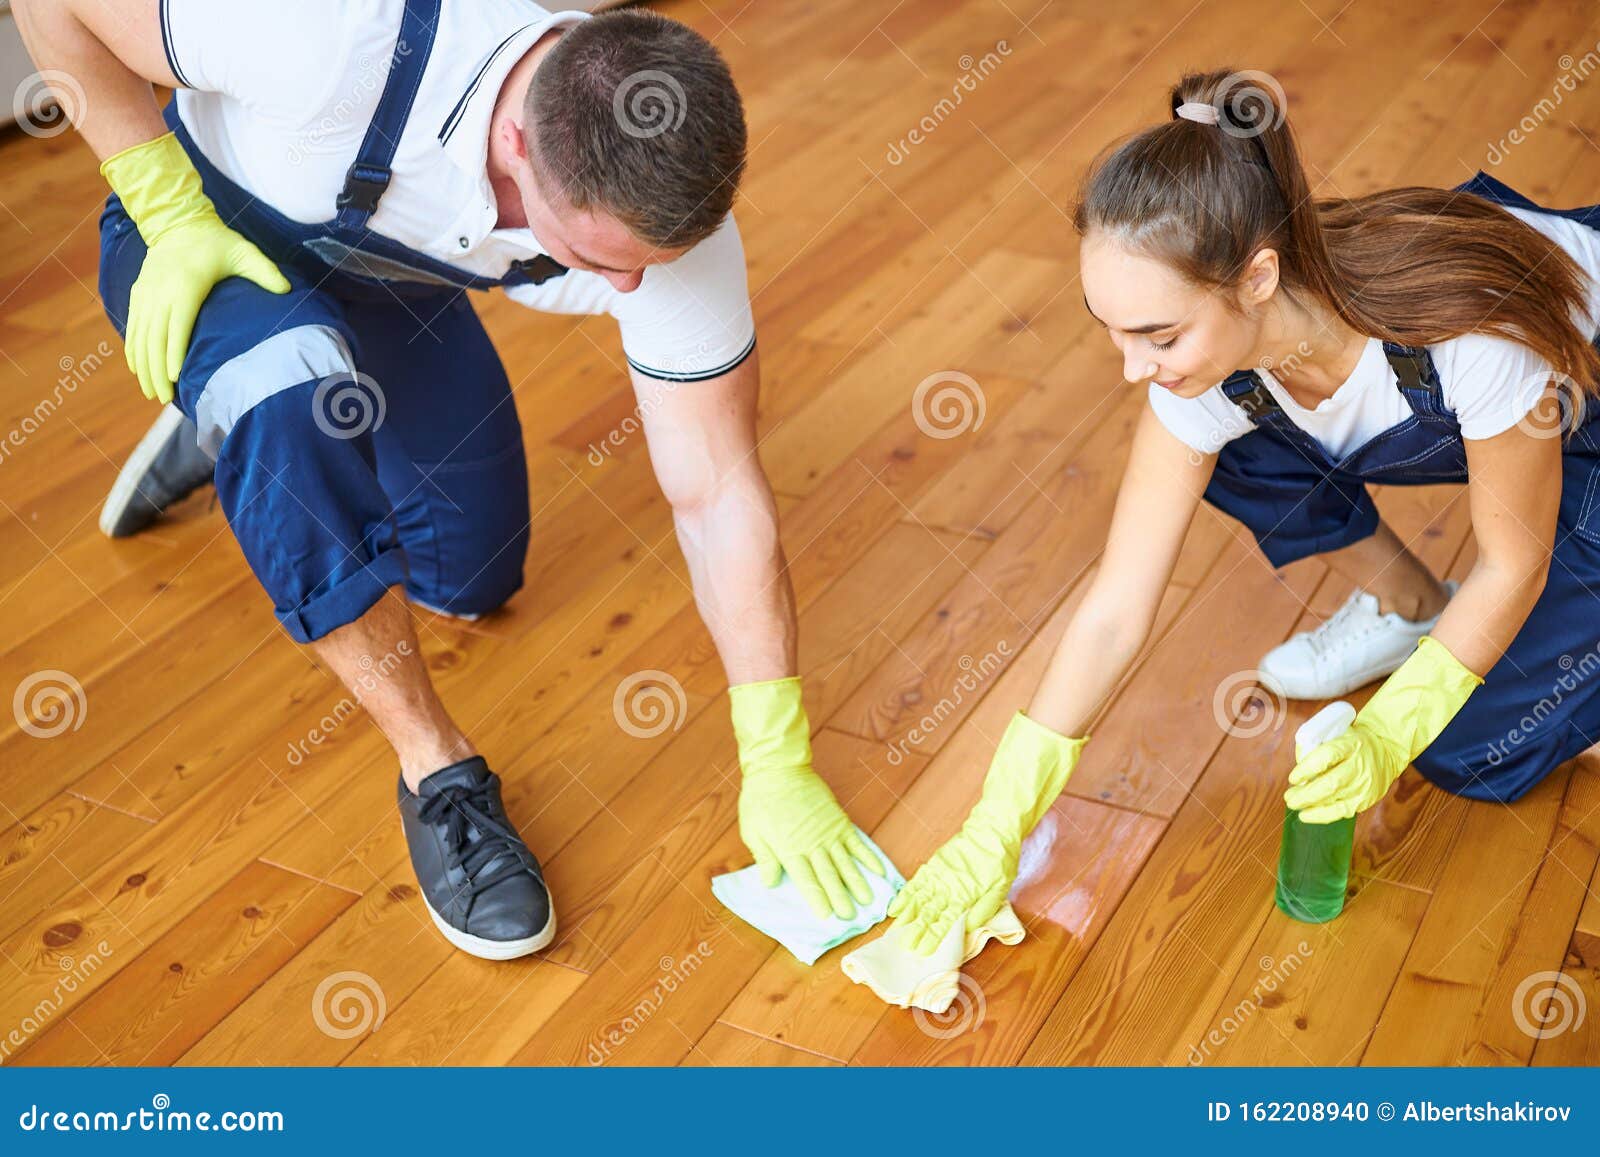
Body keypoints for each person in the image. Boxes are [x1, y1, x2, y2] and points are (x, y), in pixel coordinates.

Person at [15, 0, 884, 961]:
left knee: (469, 579)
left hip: (378, 280)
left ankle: (247, 410)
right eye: (605, 261)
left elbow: (718, 488)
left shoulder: (672, 236)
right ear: (516, 141)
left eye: (652, 267)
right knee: (287, 403)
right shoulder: (320, 36)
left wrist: (778, 754)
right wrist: (165, 206)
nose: (630, 290)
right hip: (206, 234)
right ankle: (436, 769)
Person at [886, 69, 1600, 954]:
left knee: (1474, 750)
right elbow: (1115, 610)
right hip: (1499, 419)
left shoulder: (1465, 333)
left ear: (1258, 278)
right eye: (1111, 331)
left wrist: (1388, 731)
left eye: (1159, 335)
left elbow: (1512, 562)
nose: (1132, 368)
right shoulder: (1217, 356)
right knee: (1232, 443)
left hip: (1576, 394)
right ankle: (1414, 608)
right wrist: (993, 823)